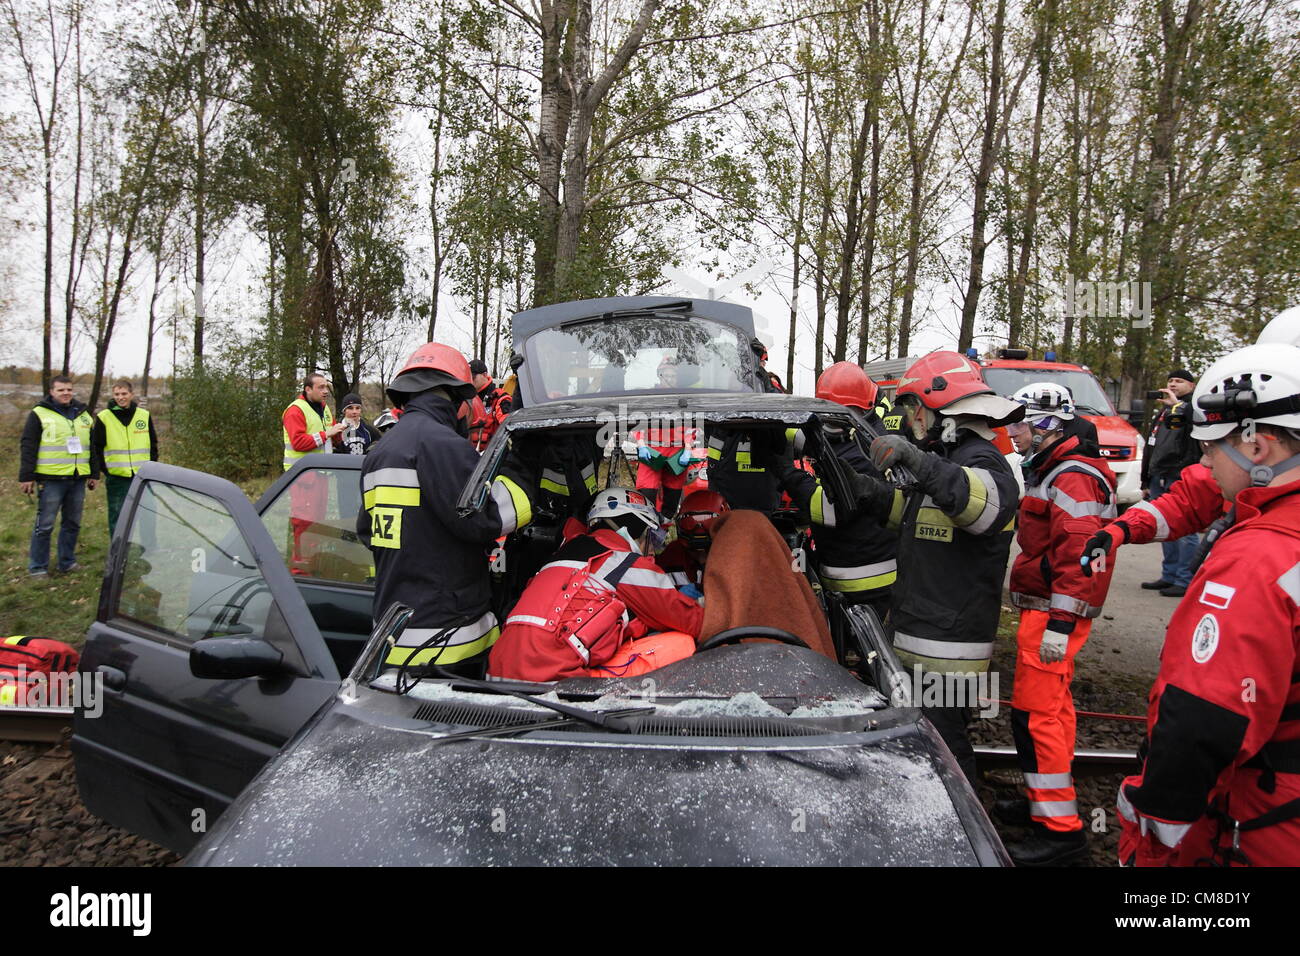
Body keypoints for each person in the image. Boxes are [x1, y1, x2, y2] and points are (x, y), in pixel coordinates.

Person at [1116, 342, 1300, 866]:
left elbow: (1200, 722)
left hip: (1260, 826)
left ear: (1257, 446)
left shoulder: (1259, 558)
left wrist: (1148, 845)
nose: (1202, 459)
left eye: (1210, 446)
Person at [853, 351, 1023, 783]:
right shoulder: (945, 460)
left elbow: (983, 507)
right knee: (921, 741)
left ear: (938, 405)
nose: (909, 419)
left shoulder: (982, 459)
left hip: (948, 651)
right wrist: (864, 492)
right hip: (919, 637)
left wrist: (917, 460)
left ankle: (966, 839)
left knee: (944, 747)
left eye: (912, 408)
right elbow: (911, 518)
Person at [996, 382, 1117, 866]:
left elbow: (1077, 558)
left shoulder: (1070, 476)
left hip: (1053, 613)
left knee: (1035, 718)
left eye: (1020, 424)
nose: (1013, 433)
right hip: (1047, 609)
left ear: (1046, 426)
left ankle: (1060, 835)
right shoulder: (1056, 468)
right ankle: (1042, 805)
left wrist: (1060, 626)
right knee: (1053, 712)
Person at [358, 342, 535, 674]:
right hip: (447, 641)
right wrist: (520, 468)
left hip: (391, 634)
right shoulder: (445, 446)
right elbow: (487, 518)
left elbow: (370, 533)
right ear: (456, 400)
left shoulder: (378, 454)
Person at [488, 488, 702, 682]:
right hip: (555, 686)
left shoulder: (558, 557)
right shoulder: (622, 561)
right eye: (653, 539)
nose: (654, 549)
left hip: (497, 674)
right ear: (637, 529)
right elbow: (694, 622)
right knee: (680, 644)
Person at [773, 362, 897, 622]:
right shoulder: (851, 431)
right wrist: (774, 429)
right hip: (844, 571)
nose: (826, 423)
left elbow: (828, 511)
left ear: (857, 411)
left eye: (831, 414)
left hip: (865, 581)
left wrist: (788, 473)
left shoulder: (868, 454)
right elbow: (815, 439)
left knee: (860, 655)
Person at [19, 375, 98, 577]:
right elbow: (28, 445)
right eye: (61, 390)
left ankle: (67, 562)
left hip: (77, 479)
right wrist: (26, 476)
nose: (66, 393)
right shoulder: (39, 413)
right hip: (50, 479)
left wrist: (93, 473)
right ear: (52, 392)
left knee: (72, 524)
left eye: (69, 390)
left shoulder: (83, 415)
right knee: (44, 526)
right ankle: (38, 567)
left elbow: (92, 446)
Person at [1139, 368, 1201, 596]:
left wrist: (1178, 406)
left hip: (1179, 473)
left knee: (1185, 529)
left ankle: (1185, 580)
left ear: (1191, 386)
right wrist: (1145, 478)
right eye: (1170, 380)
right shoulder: (1165, 411)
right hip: (1159, 474)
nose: (1173, 384)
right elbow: (1152, 446)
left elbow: (1191, 431)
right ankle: (1169, 575)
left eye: (1179, 381)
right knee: (1166, 526)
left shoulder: (1191, 408)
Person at [282, 373, 346, 573]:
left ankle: (312, 564)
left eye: (326, 387)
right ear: (308, 389)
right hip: (303, 477)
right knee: (304, 523)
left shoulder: (325, 409)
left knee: (317, 523)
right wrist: (327, 434)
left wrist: (339, 434)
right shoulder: (295, 410)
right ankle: (299, 571)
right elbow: (299, 442)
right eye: (320, 387)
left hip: (321, 475)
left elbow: (331, 435)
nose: (325, 391)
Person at [91, 379, 159, 539]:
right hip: (117, 477)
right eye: (117, 394)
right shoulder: (104, 417)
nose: (120, 397)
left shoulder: (143, 415)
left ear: (131, 394)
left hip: (143, 475)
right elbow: (97, 447)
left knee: (148, 512)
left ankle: (149, 548)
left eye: (124, 394)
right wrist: (105, 470)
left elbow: (153, 443)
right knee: (118, 515)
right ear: (113, 395)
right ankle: (118, 551)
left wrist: (152, 467)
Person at [657, 489, 730, 595]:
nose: (701, 557)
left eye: (706, 553)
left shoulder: (736, 559)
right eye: (696, 552)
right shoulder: (671, 556)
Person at [469, 360, 513, 453]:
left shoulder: (500, 398)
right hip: (469, 453)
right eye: (467, 377)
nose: (470, 380)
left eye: (473, 376)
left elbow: (509, 428)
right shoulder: (466, 398)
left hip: (491, 456)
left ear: (484, 375)